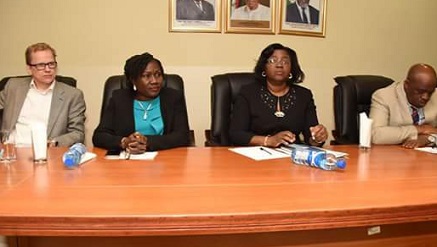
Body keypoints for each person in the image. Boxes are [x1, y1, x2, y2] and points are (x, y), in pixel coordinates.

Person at [229, 43, 328, 147]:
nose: (279, 65)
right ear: (264, 67)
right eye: (273, 60)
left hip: (292, 156)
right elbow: (237, 134)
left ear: (291, 69)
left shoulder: (304, 95)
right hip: (257, 154)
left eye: (285, 61)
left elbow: (310, 138)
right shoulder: (248, 93)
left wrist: (317, 138)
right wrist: (269, 140)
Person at [92, 52, 190, 153]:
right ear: (133, 80)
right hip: (127, 162)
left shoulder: (172, 98)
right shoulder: (119, 100)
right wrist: (124, 142)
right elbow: (99, 136)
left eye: (158, 75)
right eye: (146, 76)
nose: (154, 81)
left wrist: (146, 142)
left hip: (165, 159)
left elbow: (182, 136)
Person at [0, 42, 86, 147]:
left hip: (45, 152)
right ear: (29, 69)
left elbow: (77, 134)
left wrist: (52, 143)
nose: (48, 69)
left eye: (51, 64)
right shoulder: (13, 86)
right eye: (41, 65)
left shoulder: (72, 95)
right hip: (11, 151)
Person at [369, 63, 437, 148]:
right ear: (407, 85)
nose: (425, 97)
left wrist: (429, 138)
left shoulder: (435, 95)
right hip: (393, 156)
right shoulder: (384, 96)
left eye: (430, 92)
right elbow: (376, 135)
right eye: (420, 91)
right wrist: (419, 129)